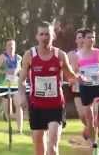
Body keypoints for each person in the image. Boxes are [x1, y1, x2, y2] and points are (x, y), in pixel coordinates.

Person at [18, 21, 78, 155]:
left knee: (52, 146)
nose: (45, 37)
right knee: (39, 148)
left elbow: (70, 76)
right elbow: (21, 80)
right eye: (42, 34)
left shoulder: (60, 55)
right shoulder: (30, 55)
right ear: (37, 36)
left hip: (55, 106)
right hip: (36, 106)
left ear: (53, 36)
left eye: (48, 34)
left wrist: (78, 79)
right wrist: (21, 95)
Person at [73, 29, 99, 155]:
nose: (91, 40)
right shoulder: (78, 55)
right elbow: (75, 71)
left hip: (98, 85)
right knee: (89, 117)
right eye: (89, 37)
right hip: (86, 87)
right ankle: (94, 146)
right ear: (83, 39)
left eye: (93, 37)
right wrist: (79, 77)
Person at [0, 39, 23, 134]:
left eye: (13, 45)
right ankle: (7, 116)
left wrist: (21, 74)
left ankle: (20, 130)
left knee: (19, 106)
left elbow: (21, 70)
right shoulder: (3, 57)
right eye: (9, 45)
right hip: (5, 85)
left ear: (15, 46)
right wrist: (6, 71)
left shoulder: (19, 58)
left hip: (16, 85)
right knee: (8, 112)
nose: (11, 47)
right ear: (6, 47)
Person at [67, 29, 89, 139]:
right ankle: (90, 127)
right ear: (76, 40)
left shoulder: (92, 53)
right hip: (77, 88)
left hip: (90, 87)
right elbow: (67, 70)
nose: (81, 40)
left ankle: (92, 131)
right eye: (79, 37)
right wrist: (70, 77)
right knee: (81, 115)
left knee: (89, 113)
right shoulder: (71, 54)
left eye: (83, 37)